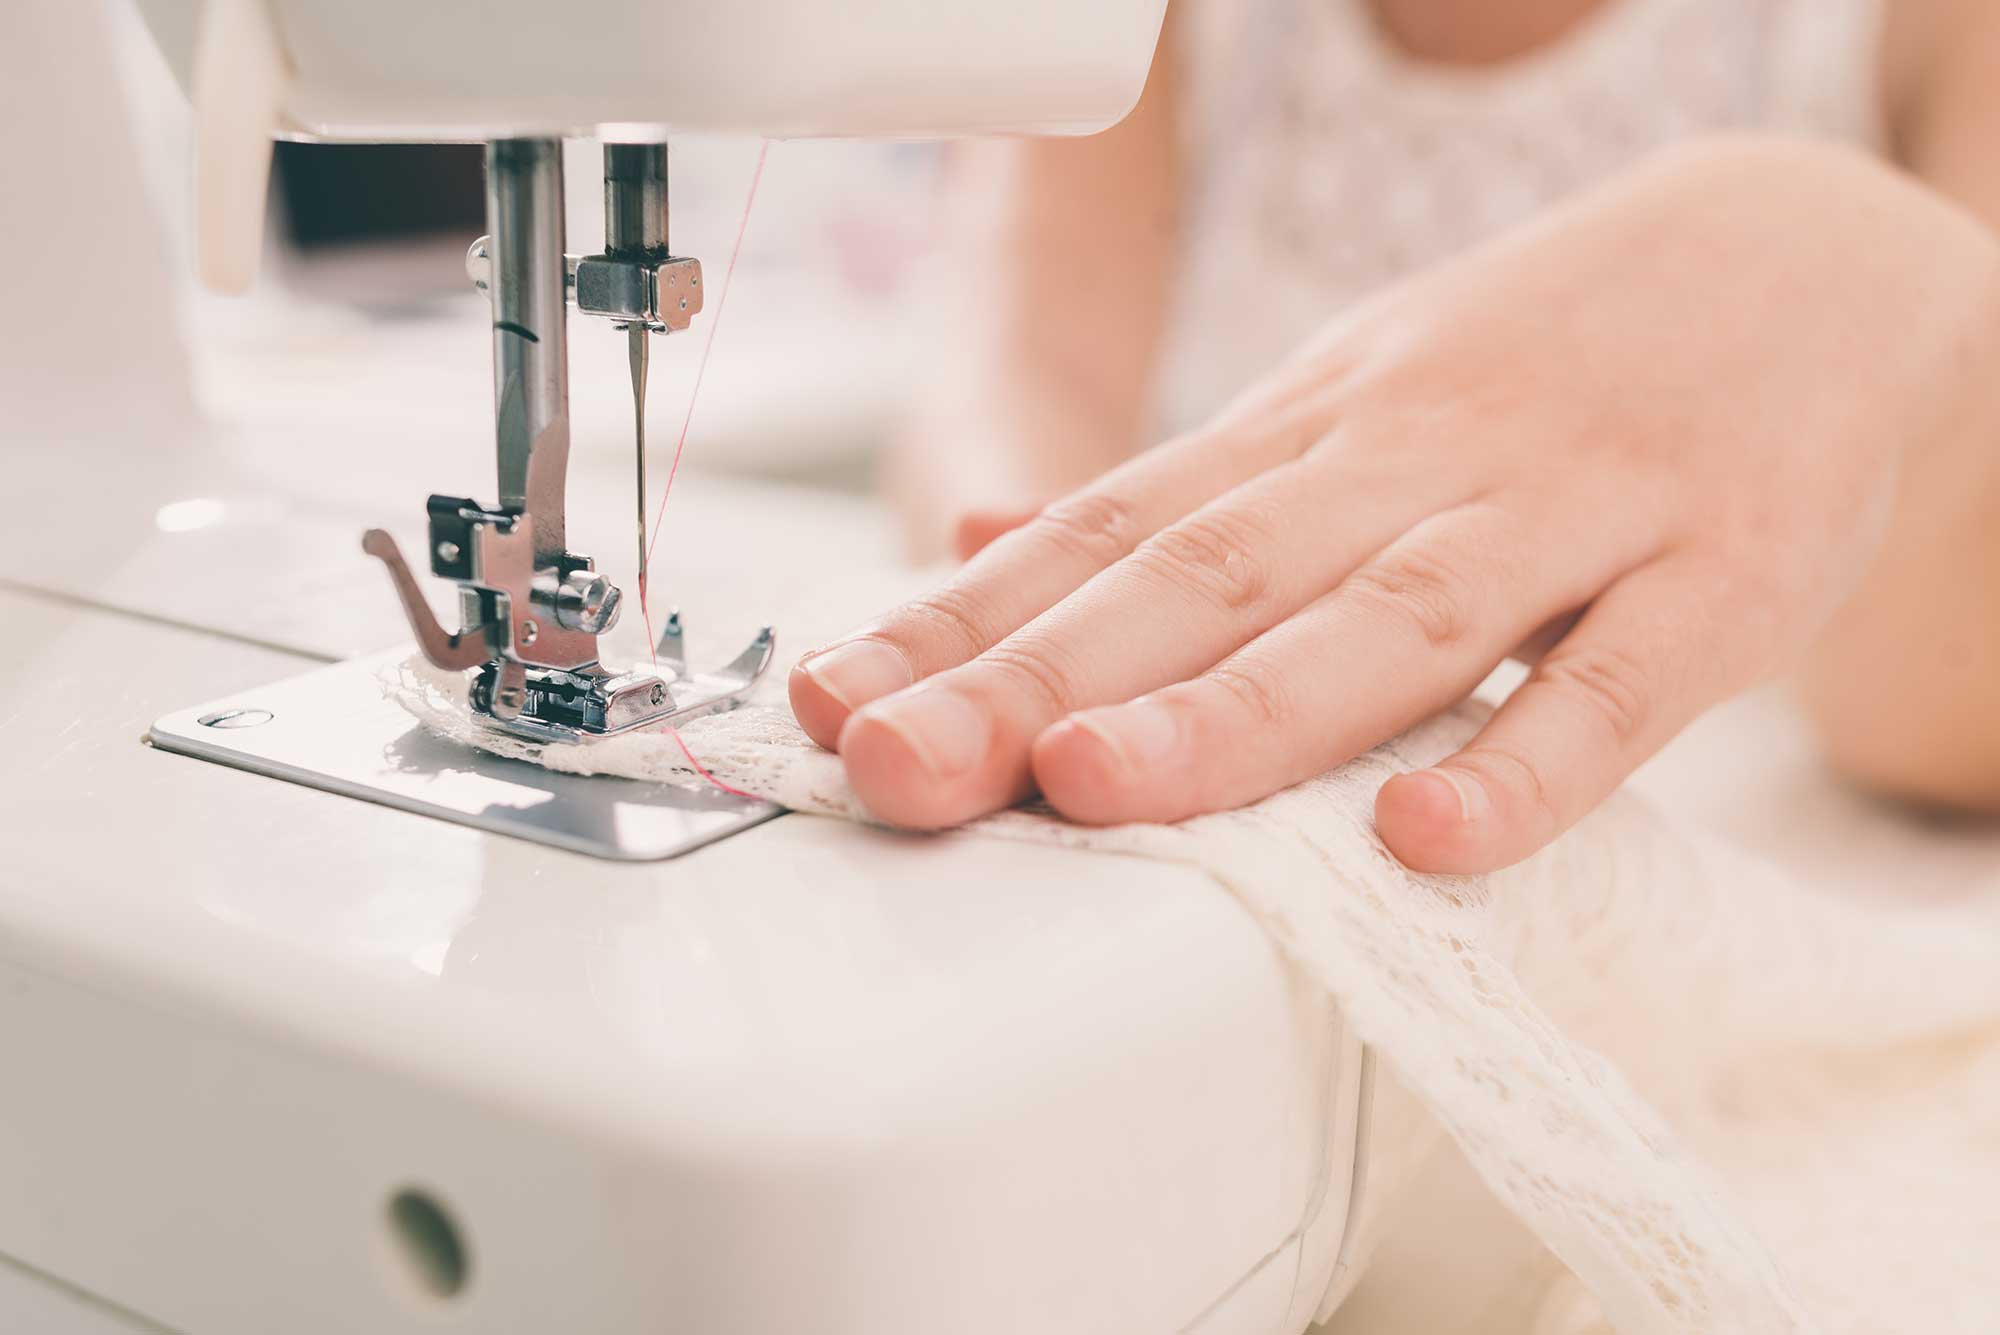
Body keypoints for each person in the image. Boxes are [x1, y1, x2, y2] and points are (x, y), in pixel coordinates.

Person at [788, 0, 2000, 873]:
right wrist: (1058, 636)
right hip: (1228, 793)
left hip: (1793, 852)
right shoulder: (1148, 31)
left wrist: (1884, 281)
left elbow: (1939, 727)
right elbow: (1015, 379)